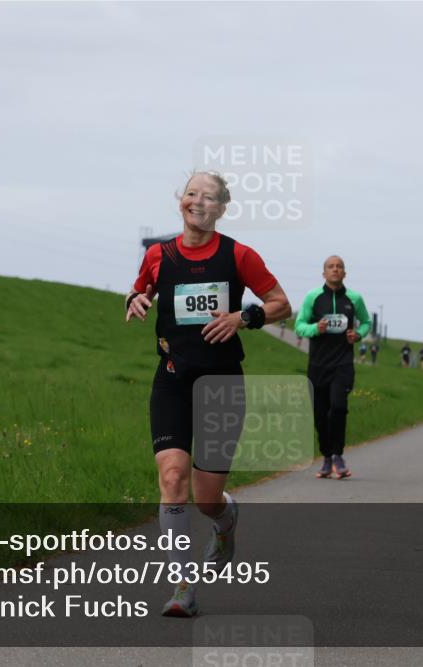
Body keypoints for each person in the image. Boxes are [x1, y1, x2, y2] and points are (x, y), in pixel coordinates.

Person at [126, 171, 291, 617]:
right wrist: (134, 300)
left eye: (209, 197)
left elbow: (281, 304)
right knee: (172, 479)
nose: (198, 201)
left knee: (206, 498)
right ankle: (183, 588)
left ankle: (225, 520)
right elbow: (139, 289)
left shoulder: (239, 255)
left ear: (221, 209)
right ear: (181, 201)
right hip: (173, 379)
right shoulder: (159, 255)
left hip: (221, 385)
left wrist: (242, 318)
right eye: (191, 193)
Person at [296, 255, 372, 479]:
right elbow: (299, 326)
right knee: (320, 414)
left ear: (345, 273)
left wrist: (358, 335)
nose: (335, 270)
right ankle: (326, 457)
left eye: (339, 267)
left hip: (343, 364)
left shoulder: (354, 298)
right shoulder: (313, 297)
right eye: (331, 267)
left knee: (338, 408)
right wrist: (314, 329)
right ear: (324, 273)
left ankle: (338, 455)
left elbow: (367, 322)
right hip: (318, 365)